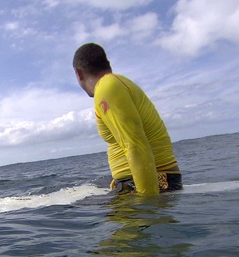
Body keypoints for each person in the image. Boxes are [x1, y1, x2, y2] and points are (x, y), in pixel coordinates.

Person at [73, 43, 182, 196]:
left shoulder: (107, 87)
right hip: (155, 180)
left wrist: (146, 206)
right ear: (108, 64)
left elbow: (134, 145)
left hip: (151, 183)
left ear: (78, 73)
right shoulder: (117, 83)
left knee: (72, 211)